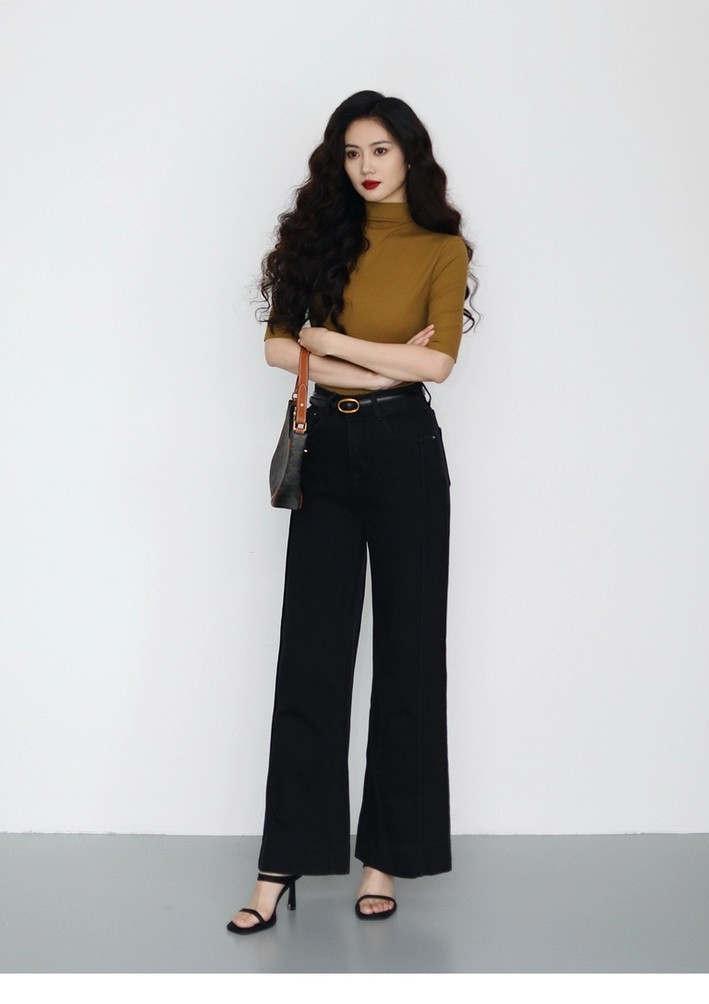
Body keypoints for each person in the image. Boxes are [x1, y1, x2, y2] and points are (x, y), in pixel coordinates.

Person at [228, 90, 475, 934]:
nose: (366, 167)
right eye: (351, 152)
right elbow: (276, 346)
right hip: (326, 452)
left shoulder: (443, 248)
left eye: (380, 150)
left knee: (409, 656)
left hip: (405, 450)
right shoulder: (317, 238)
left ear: (410, 155)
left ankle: (384, 860)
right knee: (311, 654)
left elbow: (437, 366)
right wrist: (376, 363)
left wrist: (328, 344)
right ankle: (280, 863)